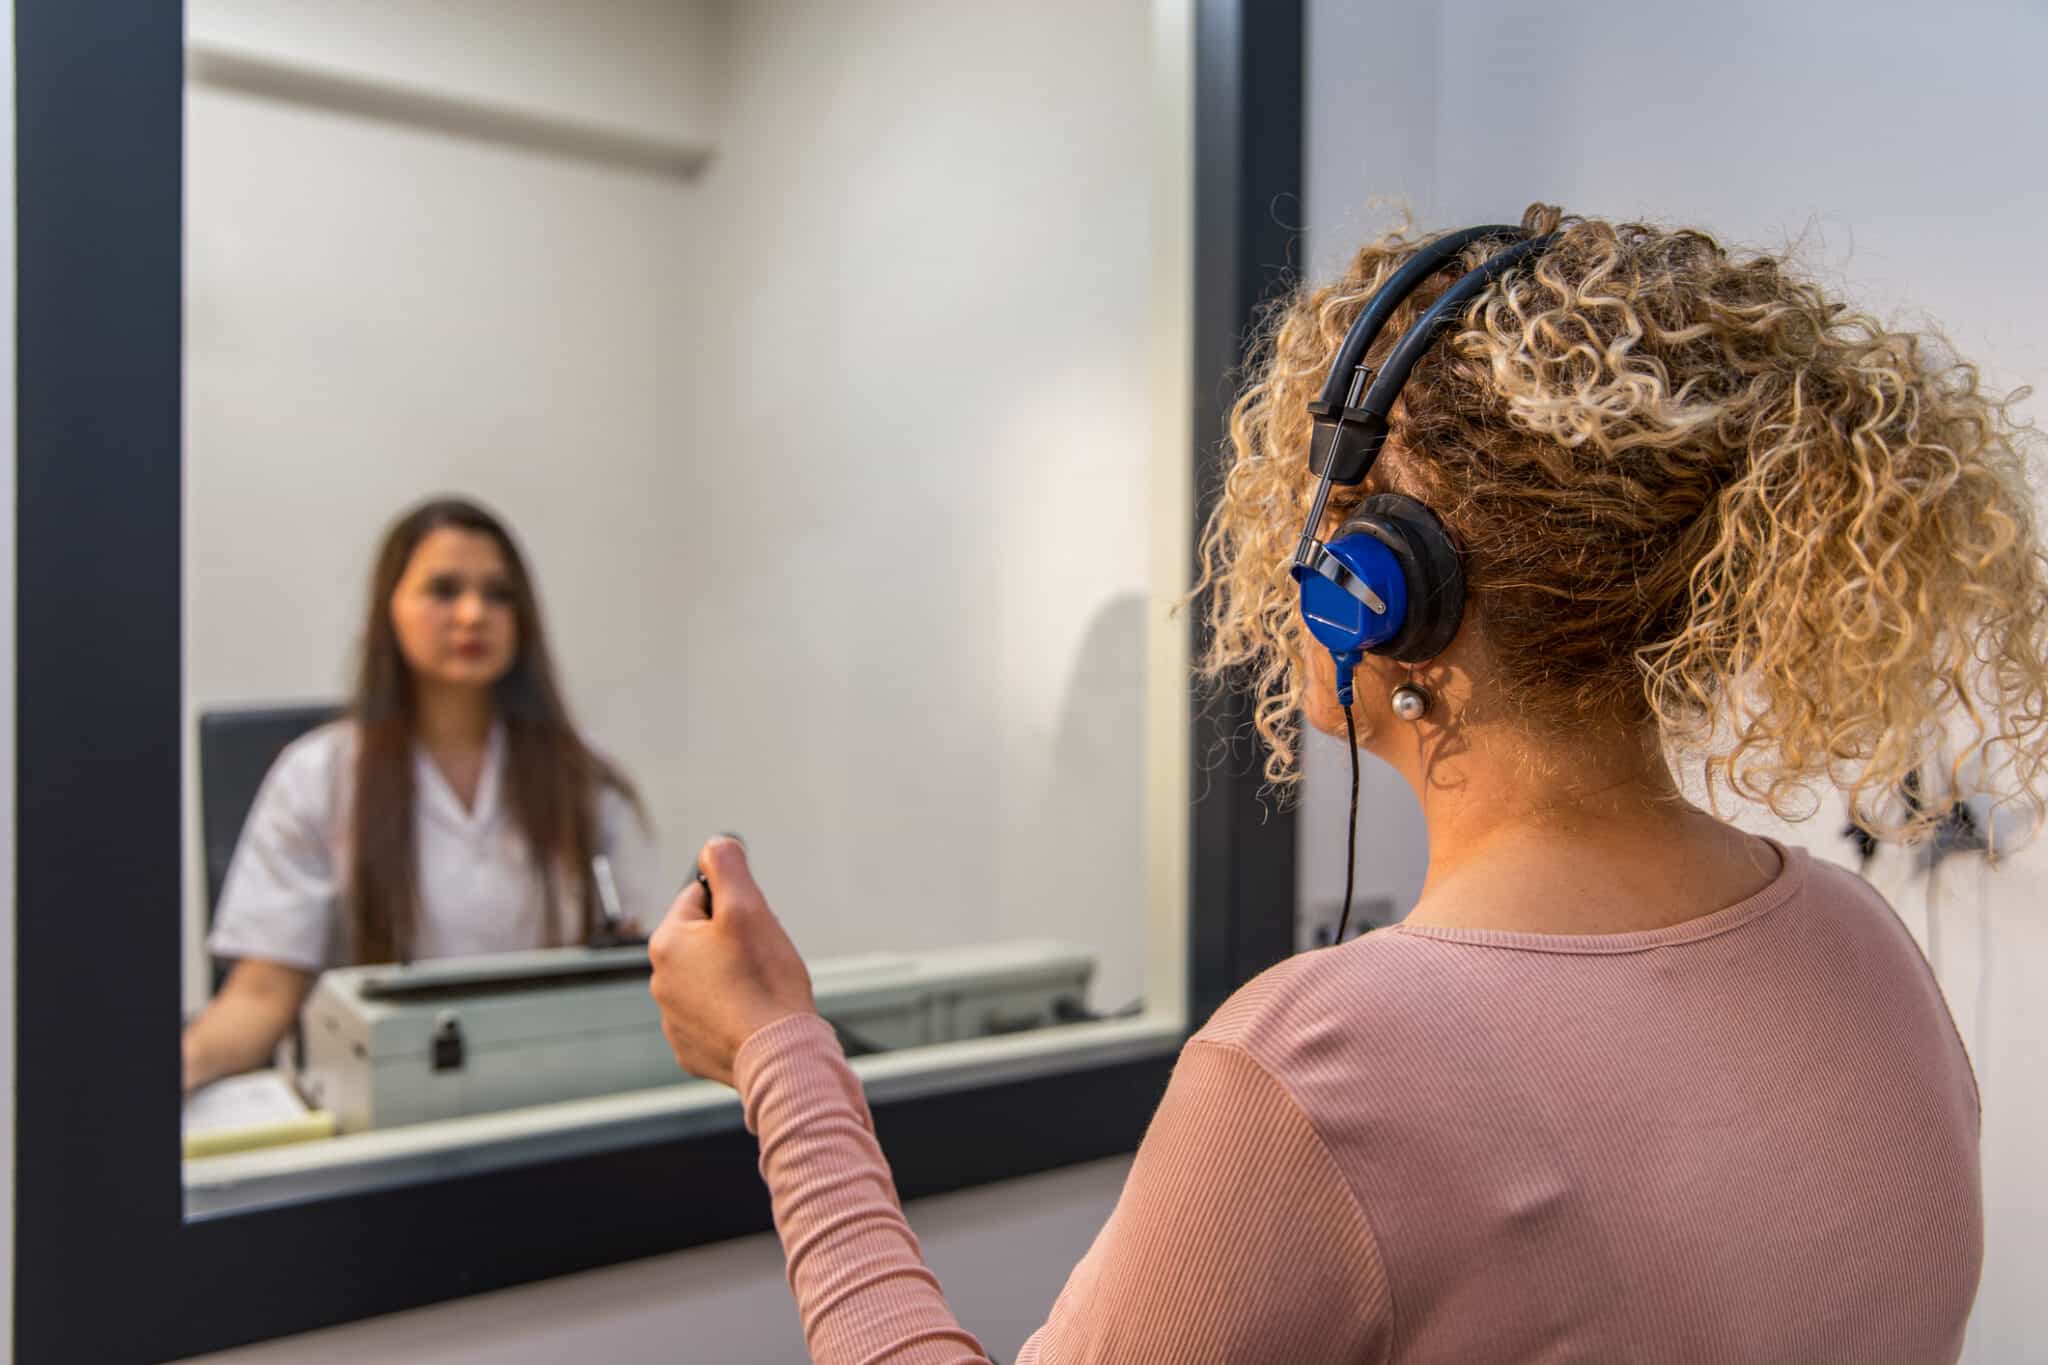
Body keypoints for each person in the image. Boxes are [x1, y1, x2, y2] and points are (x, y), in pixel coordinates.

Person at [647, 207, 2046, 1362]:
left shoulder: (1334, 1065)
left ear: (1384, 589)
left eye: (1312, 517)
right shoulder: (1863, 947)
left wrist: (781, 1057)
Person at [183, 496, 657, 1095]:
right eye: (443, 589)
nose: (472, 615)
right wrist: (180, 1067)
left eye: (497, 595)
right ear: (390, 610)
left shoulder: (582, 776)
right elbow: (260, 996)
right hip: (380, 1107)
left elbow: (636, 971)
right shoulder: (319, 775)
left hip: (547, 1093)